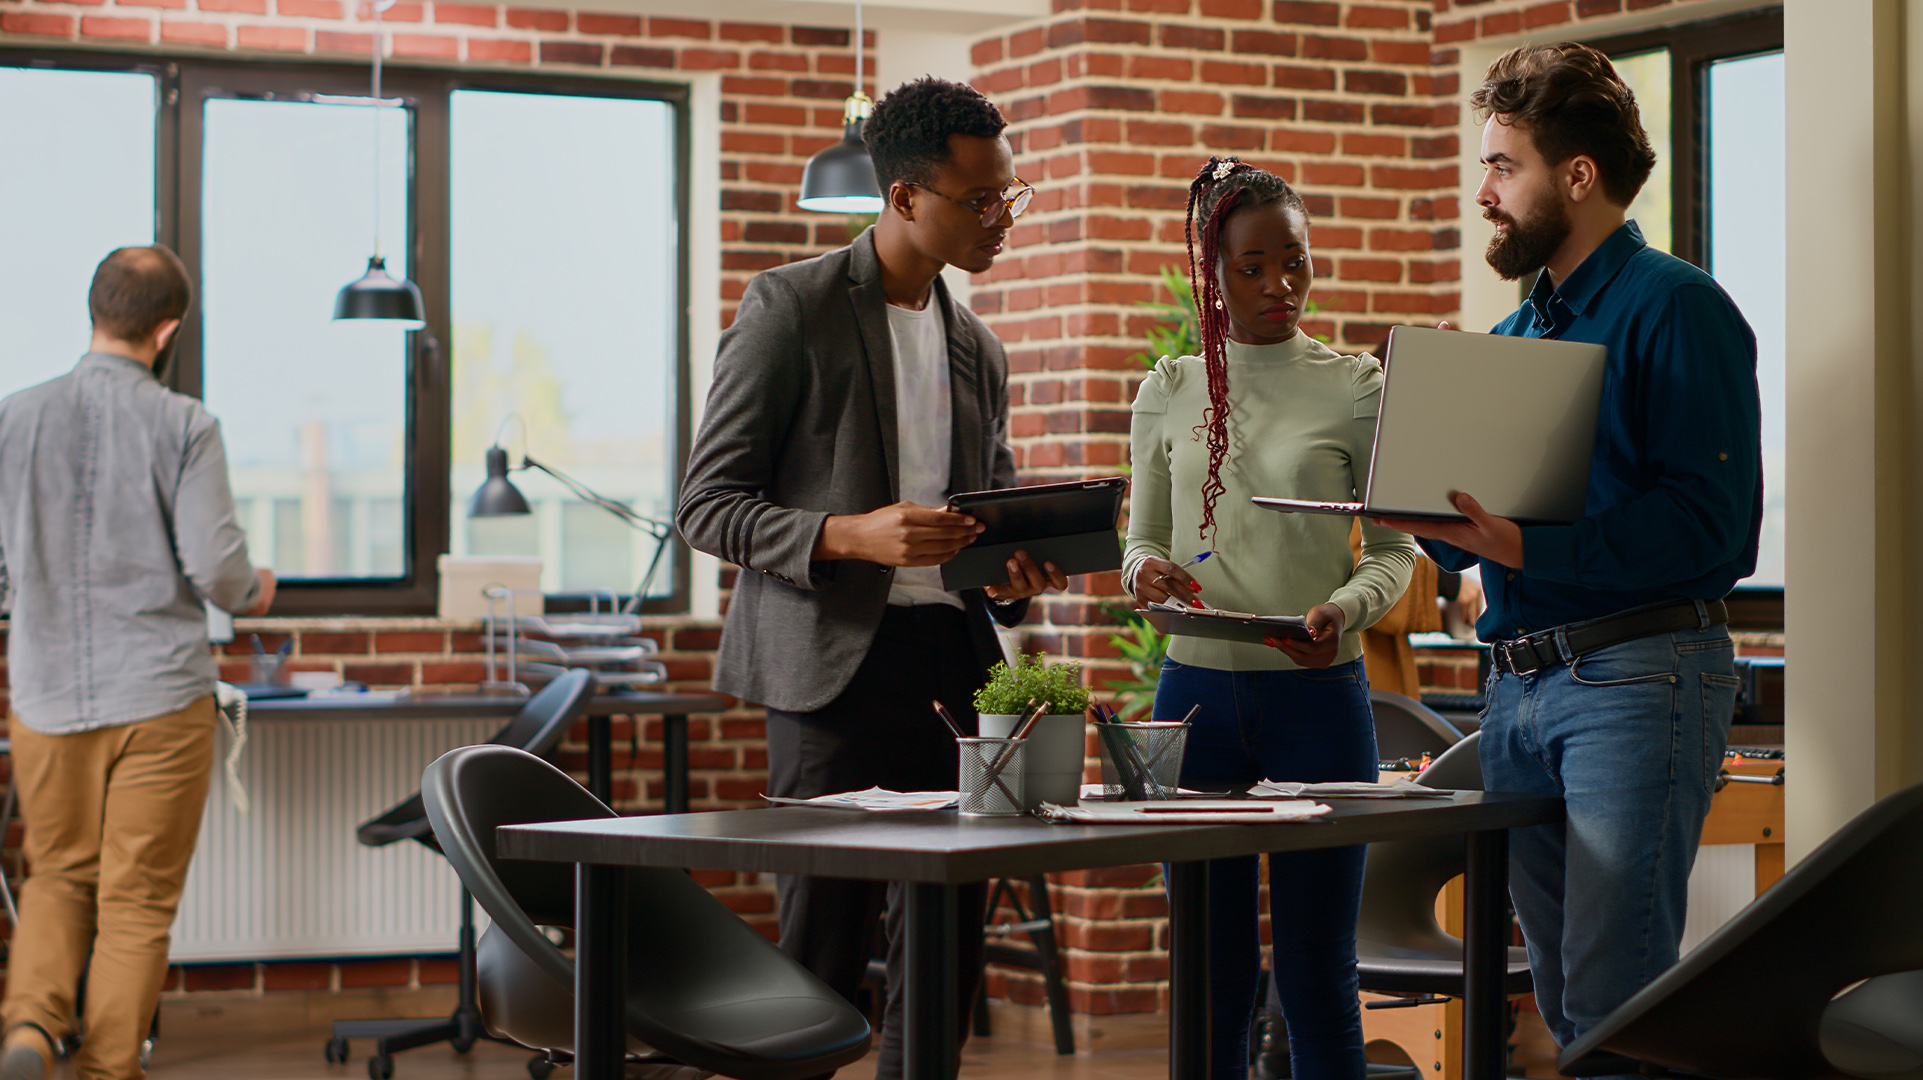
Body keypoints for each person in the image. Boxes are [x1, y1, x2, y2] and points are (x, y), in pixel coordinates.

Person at [1375, 43, 1762, 1065]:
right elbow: (1474, 540)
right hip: (1520, 686)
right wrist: (1410, 492)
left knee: (1616, 1003)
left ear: (1577, 176)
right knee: (1568, 1005)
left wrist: (1517, 538)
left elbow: (1715, 530)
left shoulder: (1678, 308)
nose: (1483, 191)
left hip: (1634, 681)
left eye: (1504, 165)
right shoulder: (1511, 334)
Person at [676, 77, 1065, 1079]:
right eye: (979, 200)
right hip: (829, 674)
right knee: (821, 960)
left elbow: (989, 515)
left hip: (955, 665)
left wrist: (1016, 573)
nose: (1000, 219)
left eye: (1008, 197)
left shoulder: (980, 349)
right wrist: (852, 535)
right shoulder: (790, 307)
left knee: (947, 960)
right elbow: (707, 506)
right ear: (902, 198)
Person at [1123, 158, 1416, 1080]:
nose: (1277, 284)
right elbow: (1139, 541)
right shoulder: (1167, 387)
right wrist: (1146, 572)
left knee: (1316, 971)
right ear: (1213, 274)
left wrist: (1341, 610)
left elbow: (1396, 551)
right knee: (1209, 970)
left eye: (1293, 260)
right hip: (1192, 705)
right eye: (1251, 266)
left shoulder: (1358, 385)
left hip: (1319, 702)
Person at [0, 246, 276, 1080]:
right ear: (168, 329)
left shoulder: (12, 417)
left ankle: (28, 1033)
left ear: (95, 310)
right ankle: (106, 1069)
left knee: (54, 876)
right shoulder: (185, 424)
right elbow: (218, 573)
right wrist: (259, 586)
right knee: (137, 901)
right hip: (159, 697)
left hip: (46, 695)